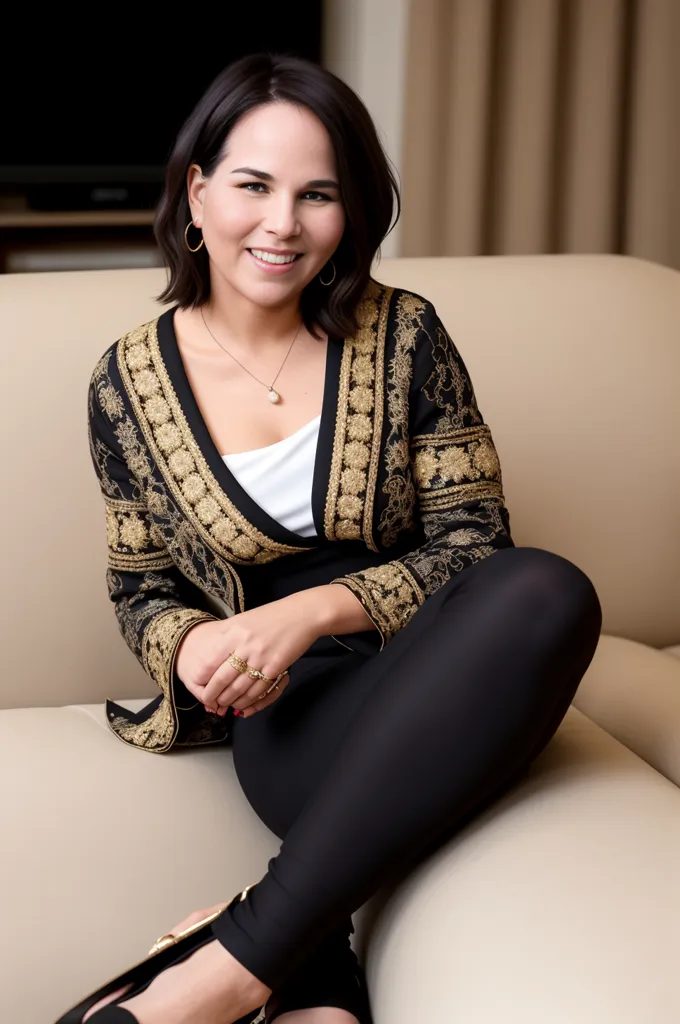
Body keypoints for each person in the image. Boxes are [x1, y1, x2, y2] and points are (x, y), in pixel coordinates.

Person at [78, 53, 602, 1024]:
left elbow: (474, 544)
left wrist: (312, 609)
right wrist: (202, 648)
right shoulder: (128, 385)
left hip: (453, 662)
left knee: (545, 590)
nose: (282, 224)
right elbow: (140, 588)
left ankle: (236, 964)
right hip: (294, 713)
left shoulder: (404, 335)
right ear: (196, 193)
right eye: (252, 186)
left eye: (316, 194)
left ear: (350, 210)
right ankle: (293, 958)